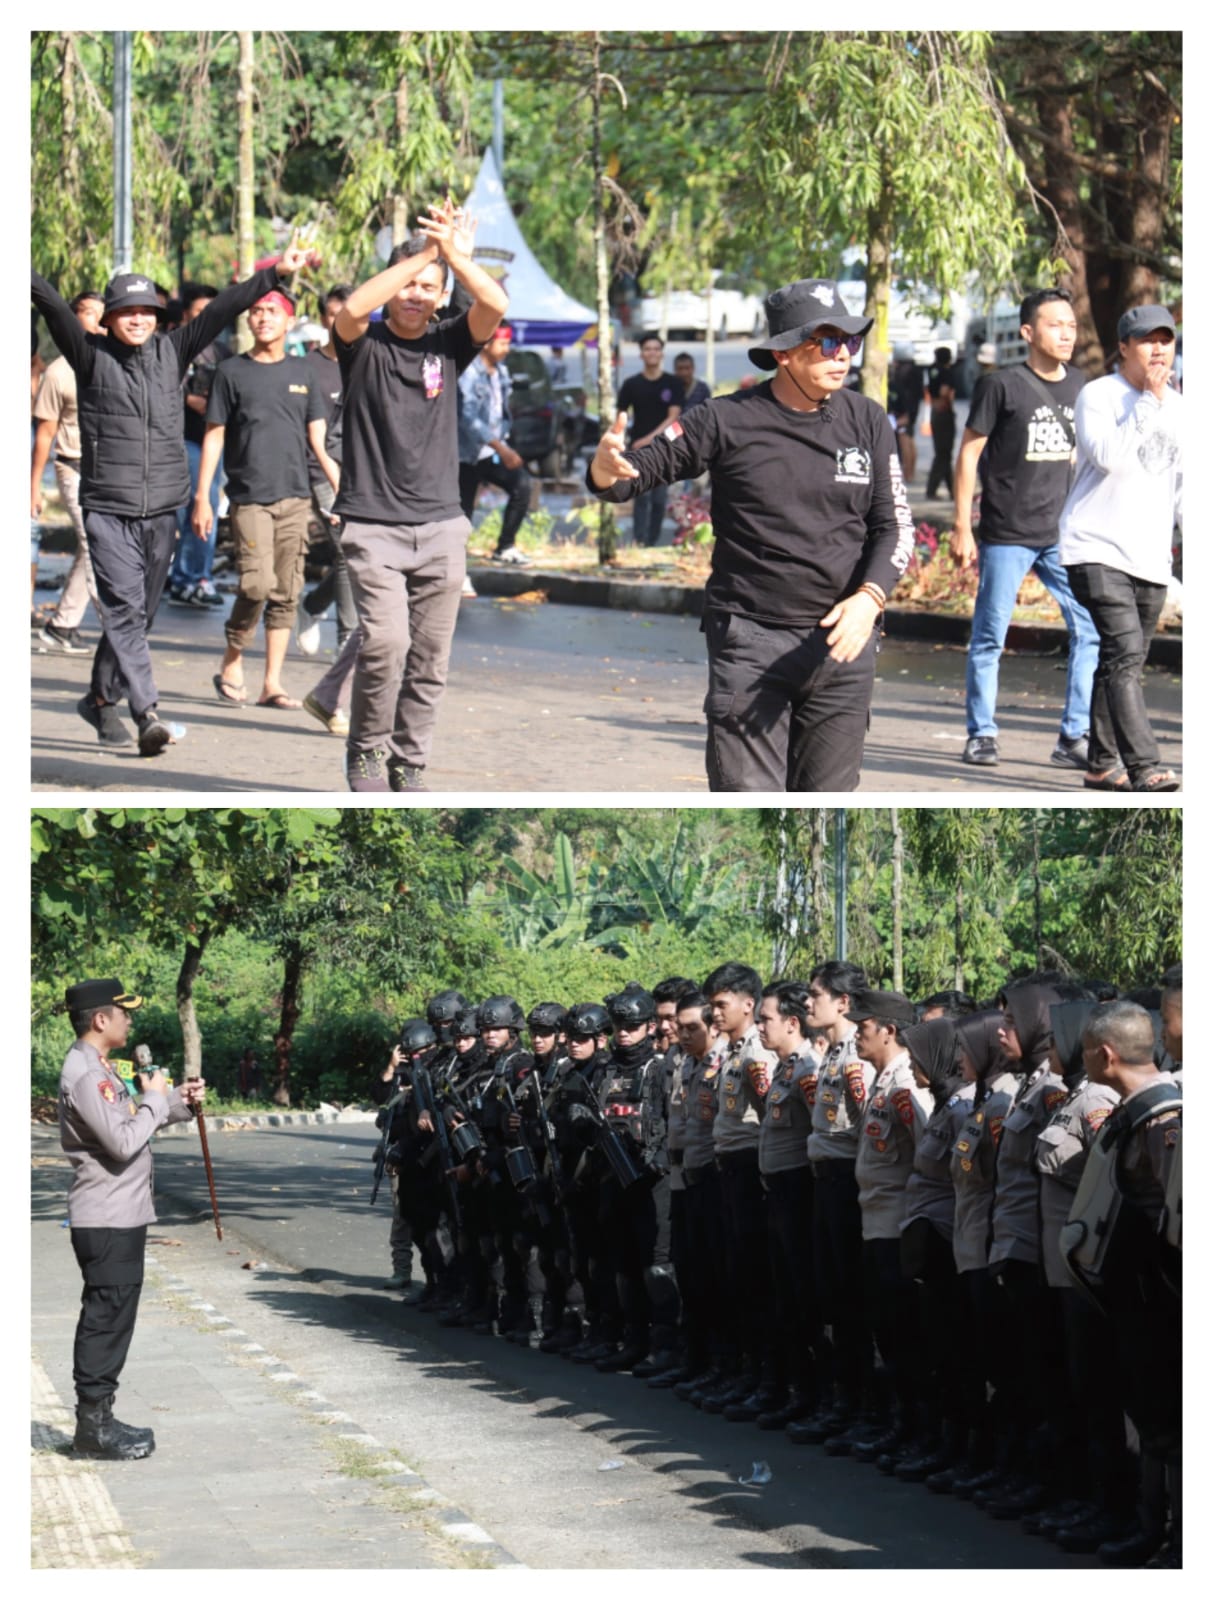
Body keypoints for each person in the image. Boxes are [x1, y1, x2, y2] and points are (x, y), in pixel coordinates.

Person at [588, 278, 914, 791]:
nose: (843, 355)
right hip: (750, 643)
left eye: (850, 341)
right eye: (827, 342)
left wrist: (869, 600)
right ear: (783, 354)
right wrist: (606, 469)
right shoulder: (725, 419)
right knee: (746, 801)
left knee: (827, 809)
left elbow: (895, 526)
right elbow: (634, 474)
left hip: (843, 645)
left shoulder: (868, 420)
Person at [31, 243, 312, 755]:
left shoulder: (173, 350)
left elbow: (224, 307)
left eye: (146, 311)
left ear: (158, 318)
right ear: (109, 319)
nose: (137, 319)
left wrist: (275, 273)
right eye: (126, 312)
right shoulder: (88, 355)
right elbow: (50, 302)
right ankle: (148, 713)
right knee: (123, 610)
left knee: (139, 617)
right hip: (109, 510)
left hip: (162, 511)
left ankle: (100, 698)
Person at [330, 198, 507, 792]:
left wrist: (454, 257)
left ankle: (410, 763)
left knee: (430, 658)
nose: (415, 295)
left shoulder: (449, 344)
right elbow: (354, 308)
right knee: (386, 642)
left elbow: (494, 304)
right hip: (371, 523)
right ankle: (366, 752)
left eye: (429, 287)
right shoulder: (364, 343)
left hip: (440, 526)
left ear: (441, 295)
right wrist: (426, 253)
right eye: (407, 284)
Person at [58, 977, 206, 1459]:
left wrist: (175, 1100)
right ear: (101, 1019)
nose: (130, 1020)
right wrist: (155, 1097)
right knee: (106, 1320)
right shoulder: (87, 1074)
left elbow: (127, 1120)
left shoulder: (99, 1067)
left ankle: (101, 1417)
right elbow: (123, 1142)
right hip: (106, 1217)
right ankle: (92, 1428)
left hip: (118, 1214)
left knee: (113, 1318)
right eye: (124, 1013)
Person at [951, 288, 1098, 773]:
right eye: (1056, 325)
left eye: (1071, 325)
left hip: (1060, 537)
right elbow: (969, 454)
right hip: (1006, 534)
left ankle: (1073, 735)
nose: (1067, 334)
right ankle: (981, 734)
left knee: (1091, 628)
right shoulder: (1001, 386)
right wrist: (962, 526)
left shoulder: (1080, 385)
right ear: (1028, 333)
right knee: (989, 637)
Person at [194, 284, 338, 711]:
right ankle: (233, 657)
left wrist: (340, 489)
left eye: (272, 311)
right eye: (256, 311)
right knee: (256, 584)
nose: (263, 317)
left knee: (286, 591)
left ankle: (272, 683)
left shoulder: (304, 372)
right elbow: (214, 436)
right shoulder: (231, 372)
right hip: (249, 497)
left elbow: (318, 440)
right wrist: (202, 496)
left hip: (295, 496)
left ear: (289, 321)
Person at [1059, 304, 1183, 792]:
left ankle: (1100, 763)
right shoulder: (1099, 395)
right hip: (1095, 547)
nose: (1158, 349)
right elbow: (1107, 455)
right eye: (1147, 339)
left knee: (1120, 661)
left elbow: (1184, 487)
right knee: (1125, 653)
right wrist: (1149, 402)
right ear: (1124, 347)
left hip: (1150, 556)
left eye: (1165, 339)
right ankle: (1144, 765)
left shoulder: (1183, 408)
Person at [31, 290, 105, 654]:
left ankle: (62, 624)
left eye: (103, 313)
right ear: (72, 318)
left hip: (107, 470)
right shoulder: (59, 373)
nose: (97, 321)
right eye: (89, 312)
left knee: (90, 547)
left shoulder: (112, 362)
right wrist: (33, 487)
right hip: (72, 466)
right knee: (97, 545)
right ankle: (119, 628)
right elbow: (44, 435)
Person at [296, 284, 358, 682]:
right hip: (323, 472)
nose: (341, 322)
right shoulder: (309, 368)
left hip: (362, 472)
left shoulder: (366, 360)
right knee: (349, 551)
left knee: (361, 553)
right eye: (334, 315)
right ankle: (348, 638)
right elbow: (313, 435)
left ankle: (314, 605)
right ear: (323, 319)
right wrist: (336, 485)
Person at [166, 283, 229, 610]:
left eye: (212, 311)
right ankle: (189, 577)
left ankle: (189, 576)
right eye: (199, 312)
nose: (206, 317)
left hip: (212, 440)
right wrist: (186, 398)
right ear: (185, 315)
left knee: (204, 506)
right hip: (180, 439)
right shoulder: (172, 348)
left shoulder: (223, 354)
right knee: (194, 506)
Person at [457, 323, 533, 565]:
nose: (506, 349)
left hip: (492, 451)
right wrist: (501, 448)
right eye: (502, 343)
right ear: (487, 343)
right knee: (463, 511)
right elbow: (467, 418)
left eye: (508, 343)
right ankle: (455, 565)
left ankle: (505, 546)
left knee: (522, 486)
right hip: (467, 453)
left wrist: (503, 443)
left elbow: (500, 411)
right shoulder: (470, 372)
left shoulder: (501, 371)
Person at [615, 333, 683, 548]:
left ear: (662, 354)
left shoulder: (673, 383)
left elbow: (674, 417)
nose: (652, 352)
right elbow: (620, 415)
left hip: (665, 448)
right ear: (641, 354)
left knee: (659, 499)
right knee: (641, 496)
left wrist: (648, 439)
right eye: (647, 349)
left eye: (656, 349)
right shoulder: (631, 384)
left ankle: (652, 541)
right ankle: (639, 541)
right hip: (637, 450)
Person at [924, 346, 956, 499]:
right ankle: (932, 488)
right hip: (944, 412)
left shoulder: (931, 370)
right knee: (944, 453)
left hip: (934, 411)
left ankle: (953, 489)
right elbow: (945, 392)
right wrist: (948, 402)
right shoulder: (947, 372)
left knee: (943, 453)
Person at [887, 342, 921, 484]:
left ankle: (908, 474)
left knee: (905, 441)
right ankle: (910, 473)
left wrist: (904, 413)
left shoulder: (902, 372)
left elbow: (902, 393)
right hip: (911, 410)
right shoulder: (916, 370)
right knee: (910, 440)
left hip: (902, 411)